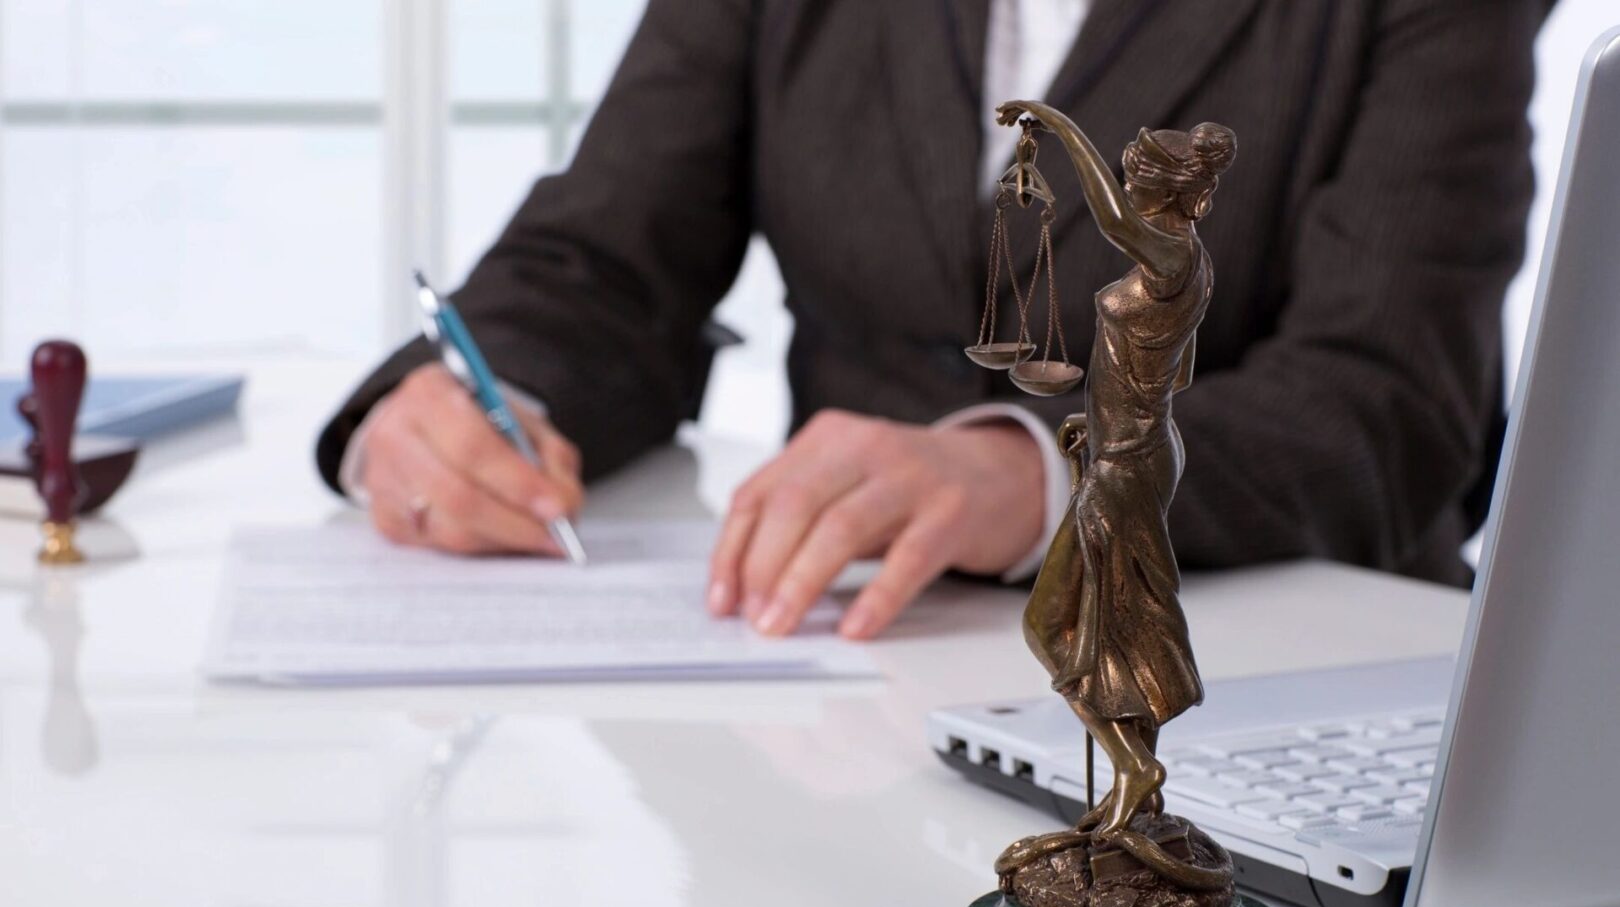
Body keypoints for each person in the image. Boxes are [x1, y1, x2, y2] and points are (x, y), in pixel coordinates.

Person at [316, 0, 1550, 641]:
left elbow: (1387, 403)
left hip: (1255, 676)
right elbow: (602, 259)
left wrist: (1033, 474)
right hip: (835, 667)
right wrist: (464, 406)